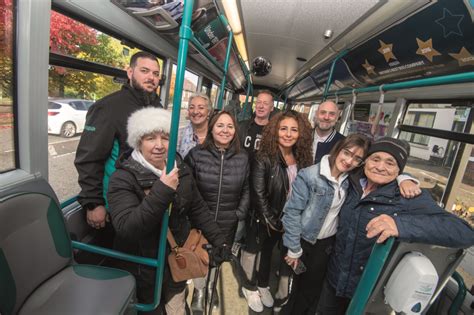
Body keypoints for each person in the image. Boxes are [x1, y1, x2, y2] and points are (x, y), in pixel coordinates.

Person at [317, 137, 474, 315]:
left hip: (367, 290)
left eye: (390, 163)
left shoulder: (407, 196)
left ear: (399, 169)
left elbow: (465, 232)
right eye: (375, 159)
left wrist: (400, 224)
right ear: (365, 161)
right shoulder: (350, 181)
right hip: (333, 280)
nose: (380, 167)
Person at [107, 107, 230, 315]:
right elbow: (127, 228)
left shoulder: (179, 168)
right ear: (138, 141)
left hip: (177, 261)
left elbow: (197, 207)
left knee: (176, 305)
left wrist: (220, 241)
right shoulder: (123, 178)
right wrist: (163, 189)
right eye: (150, 138)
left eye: (165, 138)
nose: (159, 146)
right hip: (143, 268)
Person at [282, 134, 370, 314]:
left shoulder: (351, 180)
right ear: (339, 149)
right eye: (347, 153)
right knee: (295, 291)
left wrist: (405, 178)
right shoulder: (310, 175)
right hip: (304, 242)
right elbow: (292, 212)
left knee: (312, 291)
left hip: (327, 246)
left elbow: (384, 168)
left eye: (357, 159)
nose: (349, 161)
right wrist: (293, 247)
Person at [75, 51, 162, 229]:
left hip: (147, 200)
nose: (151, 77)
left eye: (155, 74)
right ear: (130, 73)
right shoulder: (108, 107)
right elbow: (89, 157)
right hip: (117, 203)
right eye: (144, 71)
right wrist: (93, 202)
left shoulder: (157, 107)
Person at [241, 111, 313, 312]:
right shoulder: (263, 157)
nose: (288, 134)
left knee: (267, 254)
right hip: (263, 218)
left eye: (294, 130)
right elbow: (258, 195)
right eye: (283, 129)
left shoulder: (303, 158)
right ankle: (249, 286)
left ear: (301, 134)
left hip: (287, 220)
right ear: (275, 131)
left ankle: (263, 284)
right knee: (252, 252)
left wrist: (290, 222)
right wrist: (274, 222)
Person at [185, 110, 250, 312]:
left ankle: (211, 286)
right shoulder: (196, 154)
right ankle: (200, 291)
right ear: (211, 128)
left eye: (230, 126)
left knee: (218, 258)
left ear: (235, 131)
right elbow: (186, 188)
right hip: (199, 221)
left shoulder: (243, 157)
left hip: (227, 221)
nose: (225, 130)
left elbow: (247, 189)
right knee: (199, 259)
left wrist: (238, 213)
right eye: (220, 125)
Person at [238, 90, 275, 161]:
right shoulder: (241, 126)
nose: (261, 106)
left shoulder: (274, 132)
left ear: (272, 108)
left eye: (265, 103)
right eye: (258, 102)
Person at [177, 92, 212, 158]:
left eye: (201, 108)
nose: (195, 111)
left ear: (208, 112)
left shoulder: (216, 134)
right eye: (191, 107)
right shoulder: (178, 135)